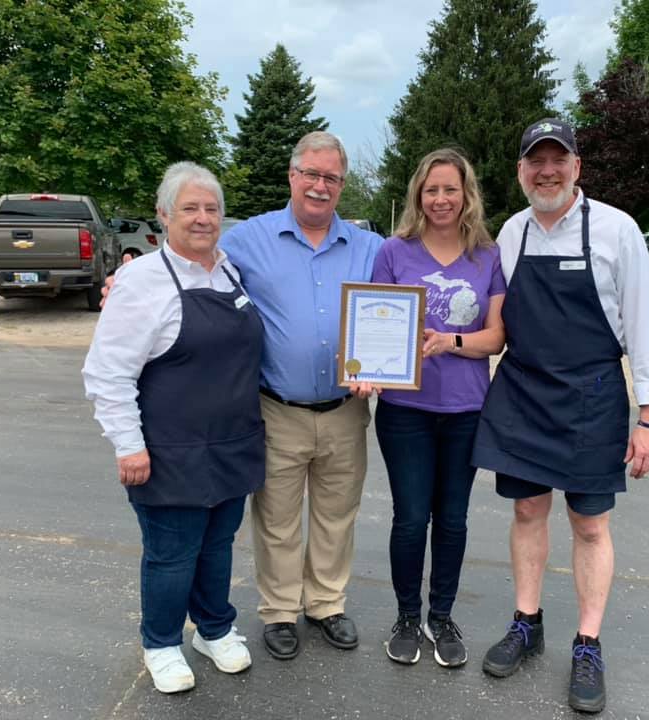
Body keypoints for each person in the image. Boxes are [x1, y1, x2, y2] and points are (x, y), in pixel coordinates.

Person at [471, 119, 649, 713]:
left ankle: (587, 643)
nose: (547, 171)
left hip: (592, 395)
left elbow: (643, 325)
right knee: (528, 510)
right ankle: (526, 624)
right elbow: (495, 322)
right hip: (524, 391)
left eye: (558, 160)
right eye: (536, 161)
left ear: (577, 167)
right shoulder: (511, 233)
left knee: (590, 526)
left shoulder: (616, 230)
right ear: (521, 172)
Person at [83, 162, 264, 694]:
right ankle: (161, 642)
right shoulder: (140, 282)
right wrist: (128, 446)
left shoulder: (229, 271)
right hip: (169, 451)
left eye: (211, 208)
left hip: (232, 444)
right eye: (190, 208)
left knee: (218, 546)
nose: (203, 218)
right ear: (164, 215)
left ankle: (214, 628)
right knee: (171, 554)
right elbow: (107, 372)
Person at [219, 131, 384, 661]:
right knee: (277, 517)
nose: (319, 185)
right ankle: (280, 611)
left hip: (346, 409)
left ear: (342, 184)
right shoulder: (248, 239)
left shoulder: (370, 247)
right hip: (277, 408)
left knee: (337, 514)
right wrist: (132, 275)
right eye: (310, 174)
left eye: (331, 177)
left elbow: (407, 300)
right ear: (292, 176)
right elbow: (190, 264)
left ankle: (326, 604)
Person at [368, 148, 505, 668]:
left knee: (452, 520)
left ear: (466, 194)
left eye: (451, 189)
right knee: (409, 519)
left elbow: (495, 337)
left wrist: (450, 341)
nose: (441, 199)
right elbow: (374, 323)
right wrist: (367, 371)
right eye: (432, 190)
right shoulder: (394, 252)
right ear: (418, 196)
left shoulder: (487, 256)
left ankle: (441, 616)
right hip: (405, 408)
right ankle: (407, 615)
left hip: (467, 408)